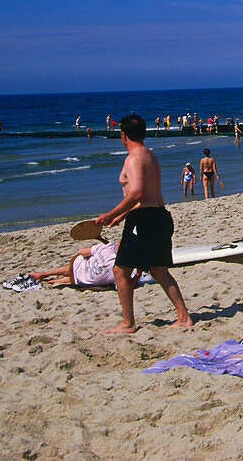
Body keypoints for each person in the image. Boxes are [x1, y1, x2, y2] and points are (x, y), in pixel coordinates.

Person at [94, 115, 192, 333]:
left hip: (145, 220)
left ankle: (128, 323)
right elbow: (146, 193)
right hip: (159, 216)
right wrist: (122, 216)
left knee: (120, 271)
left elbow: (137, 191)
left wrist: (110, 213)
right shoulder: (149, 155)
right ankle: (183, 317)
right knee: (158, 270)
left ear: (123, 135)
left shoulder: (133, 158)